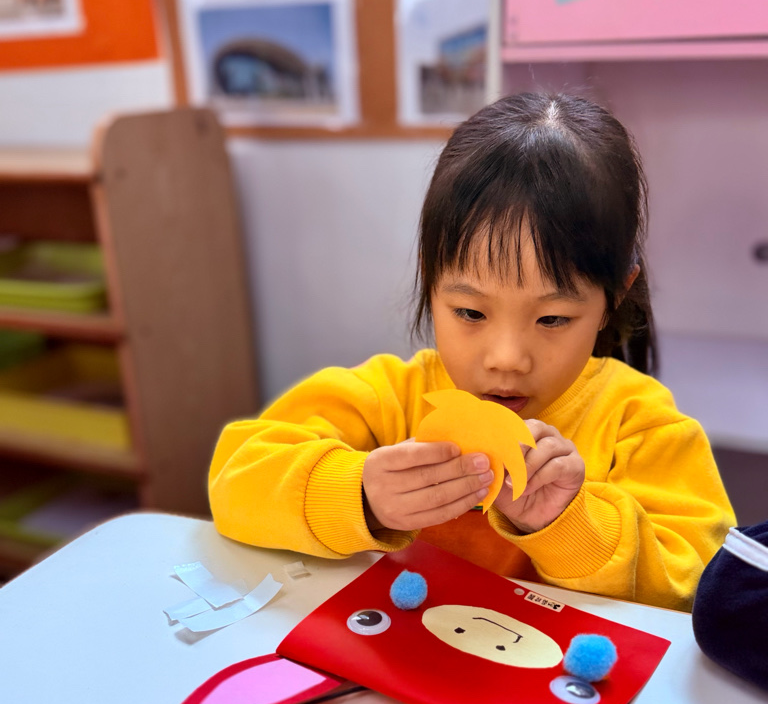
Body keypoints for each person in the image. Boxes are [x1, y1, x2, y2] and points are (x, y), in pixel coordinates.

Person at [209, 92, 734, 612]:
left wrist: (570, 523)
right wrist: (359, 496)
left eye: (552, 319)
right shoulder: (391, 399)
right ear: (431, 278)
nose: (506, 358)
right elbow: (236, 476)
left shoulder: (639, 425)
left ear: (613, 298)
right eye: (471, 313)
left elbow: (699, 585)